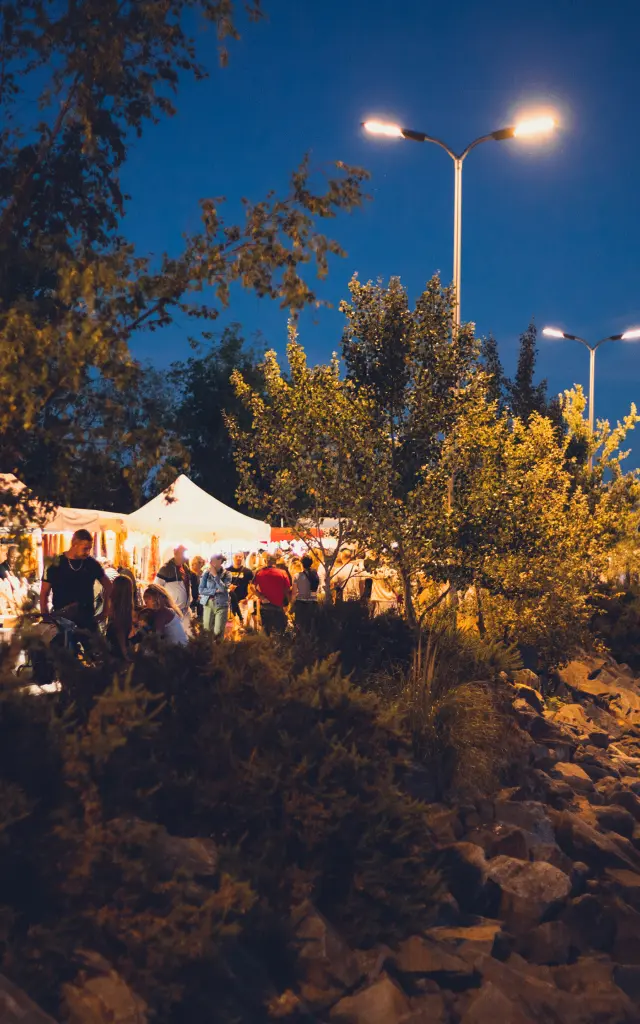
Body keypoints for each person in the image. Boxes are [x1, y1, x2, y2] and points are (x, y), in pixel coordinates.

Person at [40, 528, 112, 631]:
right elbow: (44, 592)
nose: (87, 552)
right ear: (74, 544)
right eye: (85, 549)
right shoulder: (55, 564)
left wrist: (105, 612)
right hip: (62, 621)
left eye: (89, 549)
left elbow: (109, 586)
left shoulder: (91, 564)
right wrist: (46, 617)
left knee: (95, 646)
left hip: (86, 620)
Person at [253, 553, 291, 636]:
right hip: (278, 606)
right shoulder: (282, 573)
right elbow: (287, 590)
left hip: (265, 606)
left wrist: (260, 596)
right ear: (275, 562)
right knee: (279, 632)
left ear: (265, 561)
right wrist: (289, 604)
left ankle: (266, 647)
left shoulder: (259, 573)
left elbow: (251, 588)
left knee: (266, 632)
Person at [155, 545, 191, 632]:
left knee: (187, 637)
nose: (184, 557)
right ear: (175, 553)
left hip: (185, 609)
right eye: (182, 553)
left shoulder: (185, 568)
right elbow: (157, 588)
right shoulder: (165, 569)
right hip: (174, 610)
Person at [199, 554, 232, 639]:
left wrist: (215, 576)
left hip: (221, 605)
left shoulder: (227, 574)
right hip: (208, 603)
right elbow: (201, 590)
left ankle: (218, 650)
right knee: (206, 631)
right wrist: (214, 591)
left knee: (218, 632)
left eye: (213, 561)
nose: (210, 562)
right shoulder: (206, 573)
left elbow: (223, 589)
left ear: (220, 562)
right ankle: (208, 650)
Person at [107, 574, 135, 659]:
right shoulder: (125, 610)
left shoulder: (115, 607)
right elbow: (121, 632)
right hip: (118, 651)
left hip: (115, 653)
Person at [292, 555, 320, 631]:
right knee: (312, 626)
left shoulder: (297, 576)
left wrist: (291, 604)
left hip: (301, 603)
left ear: (301, 564)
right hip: (313, 602)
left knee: (300, 626)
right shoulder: (316, 574)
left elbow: (294, 592)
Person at [228, 552, 254, 624]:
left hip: (242, 602)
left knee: (242, 624)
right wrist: (228, 588)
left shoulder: (248, 572)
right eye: (236, 556)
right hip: (229, 602)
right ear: (233, 557)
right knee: (230, 626)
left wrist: (247, 598)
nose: (238, 558)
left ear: (243, 558)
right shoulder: (226, 571)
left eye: (240, 556)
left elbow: (253, 587)